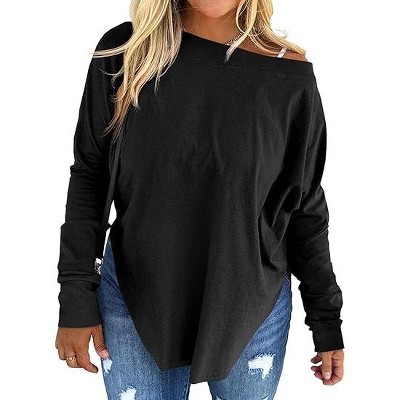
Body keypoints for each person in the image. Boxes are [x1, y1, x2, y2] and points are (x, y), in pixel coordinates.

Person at [54, 0, 345, 398]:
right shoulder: (125, 54)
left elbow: (304, 207)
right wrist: (75, 297)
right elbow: (91, 176)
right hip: (136, 299)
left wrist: (326, 320)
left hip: (250, 310)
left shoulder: (288, 77)